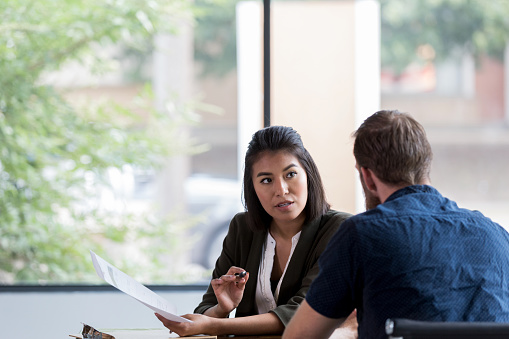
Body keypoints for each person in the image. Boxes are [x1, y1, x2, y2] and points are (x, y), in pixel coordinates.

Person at [283, 110, 509, 339]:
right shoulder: (498, 236)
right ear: (426, 165)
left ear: (368, 178)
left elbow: (298, 336)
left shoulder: (361, 235)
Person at [155, 125, 355, 336]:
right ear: (253, 187)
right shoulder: (243, 228)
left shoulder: (341, 230)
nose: (281, 190)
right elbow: (206, 310)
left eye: (291, 174)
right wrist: (222, 308)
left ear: (308, 174)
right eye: (266, 180)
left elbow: (303, 312)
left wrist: (212, 325)